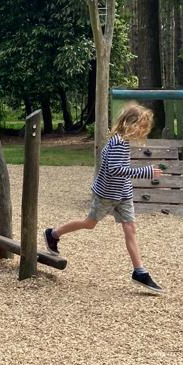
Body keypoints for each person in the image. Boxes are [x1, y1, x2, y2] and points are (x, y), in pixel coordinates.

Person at [43, 104, 165, 294]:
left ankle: (139, 272)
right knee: (89, 223)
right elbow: (115, 170)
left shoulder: (122, 141)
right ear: (130, 124)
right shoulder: (118, 143)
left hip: (123, 193)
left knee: (130, 228)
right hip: (107, 194)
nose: (143, 131)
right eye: (141, 126)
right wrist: (145, 171)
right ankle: (53, 234)